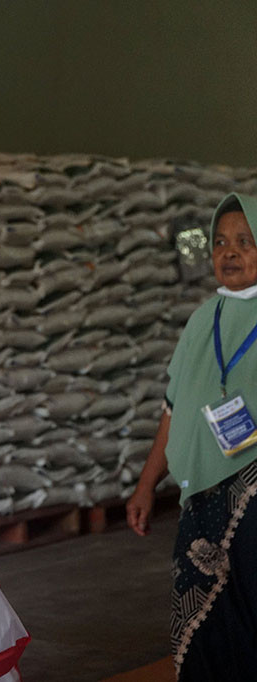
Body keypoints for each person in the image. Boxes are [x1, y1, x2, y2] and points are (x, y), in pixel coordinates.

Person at [126, 192, 257, 680]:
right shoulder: (203, 320)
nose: (229, 252)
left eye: (244, 241)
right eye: (220, 242)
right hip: (199, 500)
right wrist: (146, 485)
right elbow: (173, 410)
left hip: (253, 503)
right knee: (204, 628)